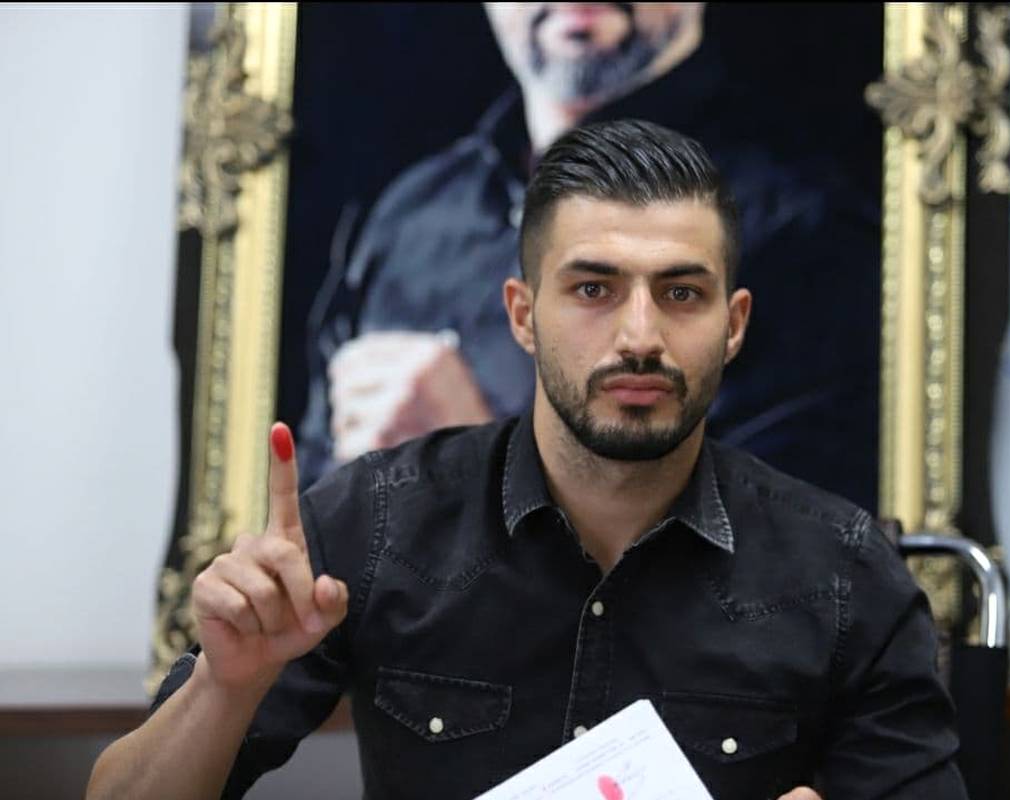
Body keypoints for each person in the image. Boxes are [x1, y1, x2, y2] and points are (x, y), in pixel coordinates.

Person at [91, 121, 962, 799]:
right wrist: (225, 688)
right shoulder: (372, 524)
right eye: (593, 288)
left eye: (680, 293)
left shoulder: (847, 575)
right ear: (522, 314)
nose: (639, 336)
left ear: (732, 325)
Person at [298, 2, 880, 512]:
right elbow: (318, 499)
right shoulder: (409, 217)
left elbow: (778, 568)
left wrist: (487, 467)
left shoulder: (808, 233)